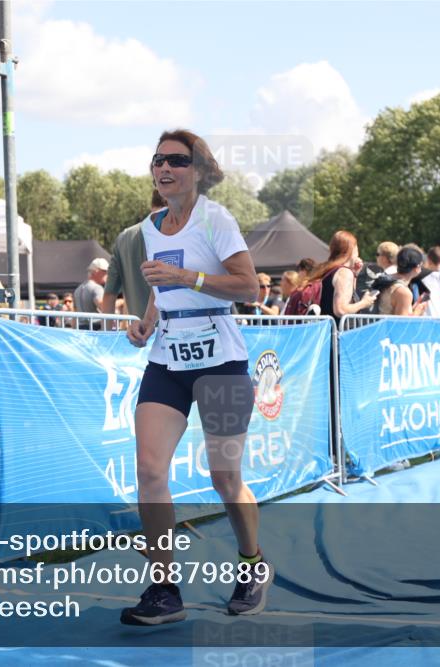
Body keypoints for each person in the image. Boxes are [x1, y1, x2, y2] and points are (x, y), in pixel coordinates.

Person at [123, 129, 270, 625]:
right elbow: (159, 288)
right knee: (149, 470)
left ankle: (252, 563)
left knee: (225, 477)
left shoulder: (215, 219)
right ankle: (164, 589)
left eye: (177, 161)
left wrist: (189, 278)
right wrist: (147, 321)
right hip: (167, 359)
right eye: (158, 160)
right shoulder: (150, 226)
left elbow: (249, 288)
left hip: (220, 361)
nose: (165, 168)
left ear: (199, 170)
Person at [100, 192, 162, 320]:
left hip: (139, 328)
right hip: (176, 328)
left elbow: (109, 293)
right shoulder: (180, 233)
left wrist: (107, 331)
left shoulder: (123, 237)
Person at [306, 230, 377, 324]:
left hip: (325, 329)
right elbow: (340, 310)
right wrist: (364, 303)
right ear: (352, 249)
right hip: (336, 330)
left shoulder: (328, 270)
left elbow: (347, 299)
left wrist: (355, 274)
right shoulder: (344, 273)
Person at [374, 247, 430, 316]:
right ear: (417, 268)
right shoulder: (403, 292)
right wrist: (417, 312)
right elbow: (401, 322)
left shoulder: (385, 279)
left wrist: (412, 309)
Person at [74, 258, 108, 330]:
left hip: (80, 328)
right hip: (95, 328)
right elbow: (105, 308)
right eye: (105, 271)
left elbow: (75, 312)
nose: (107, 274)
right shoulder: (96, 288)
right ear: (96, 271)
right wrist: (120, 302)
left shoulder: (78, 289)